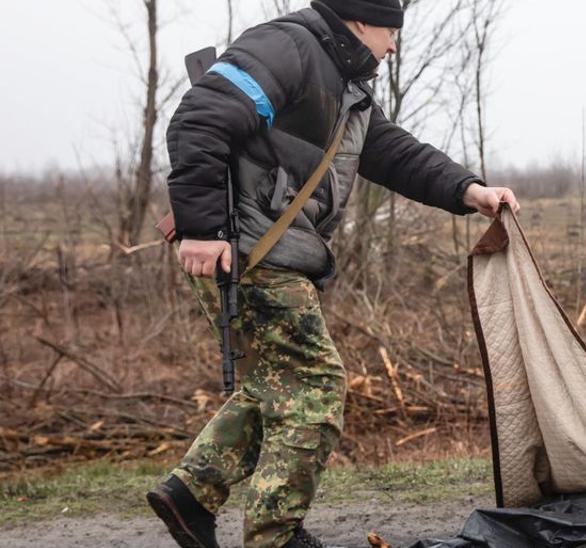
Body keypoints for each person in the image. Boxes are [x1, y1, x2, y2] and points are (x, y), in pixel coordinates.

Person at [145, 1, 518, 547]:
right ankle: (275, 534)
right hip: (247, 249)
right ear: (361, 21)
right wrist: (203, 229)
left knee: (277, 383)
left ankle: (190, 495)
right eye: (390, 33)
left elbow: (392, 153)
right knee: (317, 385)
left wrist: (469, 190)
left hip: (266, 250)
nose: (393, 47)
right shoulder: (290, 46)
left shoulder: (348, 84)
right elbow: (201, 116)